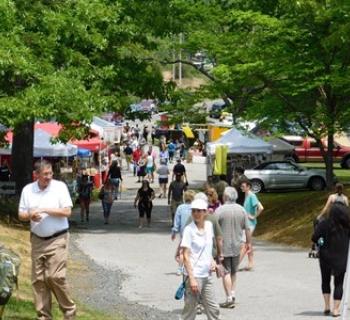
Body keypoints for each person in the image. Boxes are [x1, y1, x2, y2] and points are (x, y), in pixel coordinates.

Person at [18, 160, 76, 320]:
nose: (49, 177)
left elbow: (67, 211)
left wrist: (45, 210)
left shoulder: (59, 187)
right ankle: (44, 316)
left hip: (58, 238)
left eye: (50, 173)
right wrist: (30, 215)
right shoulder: (28, 190)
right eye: (45, 174)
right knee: (38, 280)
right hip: (37, 240)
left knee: (55, 277)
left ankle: (69, 311)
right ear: (36, 175)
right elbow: (21, 214)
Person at [180, 198, 220, 320]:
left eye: (199, 211)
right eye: (194, 211)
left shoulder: (209, 226)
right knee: (190, 310)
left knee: (213, 308)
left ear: (205, 212)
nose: (196, 214)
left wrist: (213, 261)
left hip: (207, 274)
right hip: (194, 275)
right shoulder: (189, 230)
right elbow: (185, 255)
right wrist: (192, 279)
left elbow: (208, 248)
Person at [216, 187, 252, 308]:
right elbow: (247, 228)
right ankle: (233, 293)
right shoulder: (241, 210)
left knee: (225, 271)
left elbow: (213, 229)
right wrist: (248, 243)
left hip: (223, 245)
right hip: (237, 244)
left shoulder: (220, 210)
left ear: (225, 197)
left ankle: (229, 298)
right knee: (234, 271)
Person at [312, 203, 350, 317]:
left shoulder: (324, 224)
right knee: (339, 283)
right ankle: (336, 309)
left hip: (325, 256)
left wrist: (321, 240)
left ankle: (327, 306)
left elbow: (314, 237)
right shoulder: (347, 226)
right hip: (341, 257)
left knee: (325, 280)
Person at [239, 180, 264, 270]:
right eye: (241, 186)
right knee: (248, 243)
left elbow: (261, 208)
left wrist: (253, 216)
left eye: (243, 186)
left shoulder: (252, 195)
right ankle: (250, 263)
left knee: (244, 244)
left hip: (250, 224)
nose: (242, 188)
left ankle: (235, 265)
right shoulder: (246, 195)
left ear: (248, 187)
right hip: (246, 223)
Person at [171, 190, 196, 275]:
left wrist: (174, 231)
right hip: (195, 232)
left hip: (184, 233)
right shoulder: (195, 208)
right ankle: (192, 267)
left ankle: (180, 268)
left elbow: (177, 221)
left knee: (182, 251)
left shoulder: (180, 207)